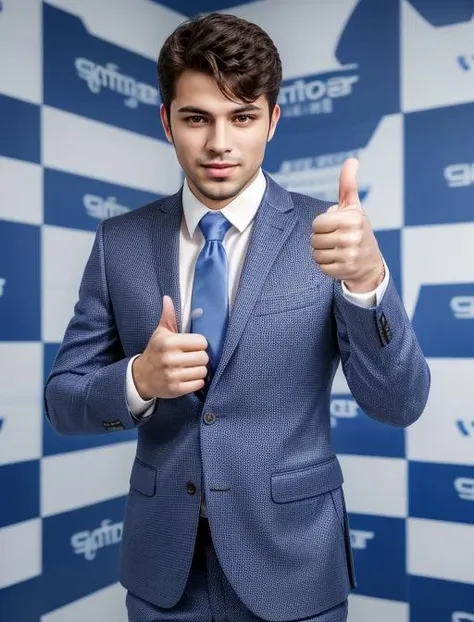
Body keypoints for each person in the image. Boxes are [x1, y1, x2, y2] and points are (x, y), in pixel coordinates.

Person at [44, 12, 431, 622]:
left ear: (272, 121)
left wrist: (366, 283)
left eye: (242, 117)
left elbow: (399, 403)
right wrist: (139, 381)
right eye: (197, 118)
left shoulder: (328, 234)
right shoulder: (120, 242)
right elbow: (63, 402)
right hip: (163, 574)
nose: (219, 143)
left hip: (295, 567)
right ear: (167, 121)